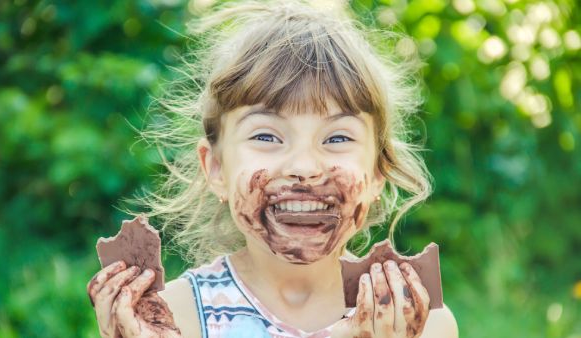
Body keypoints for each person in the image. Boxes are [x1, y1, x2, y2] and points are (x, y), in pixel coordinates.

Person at [87, 1, 459, 337]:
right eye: (266, 136)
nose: (303, 167)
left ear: (377, 173)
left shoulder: (419, 323)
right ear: (216, 168)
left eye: (337, 139)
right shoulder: (174, 318)